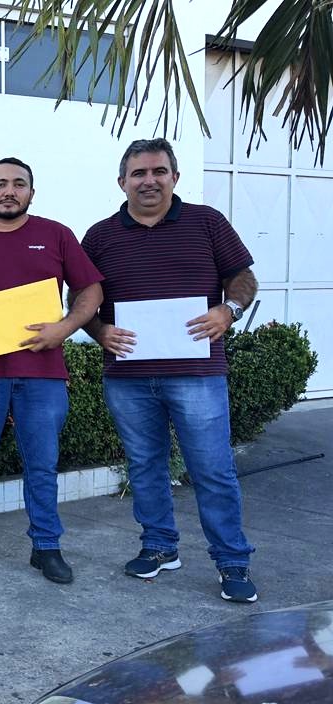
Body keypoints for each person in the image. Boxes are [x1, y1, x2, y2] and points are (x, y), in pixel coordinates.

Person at [78, 138, 259, 603]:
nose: (149, 181)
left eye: (159, 171)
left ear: (175, 177)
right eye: (138, 173)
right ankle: (160, 546)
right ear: (122, 182)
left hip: (197, 373)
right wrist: (99, 331)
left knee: (212, 468)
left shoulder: (207, 222)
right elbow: (79, 299)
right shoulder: (99, 237)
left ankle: (232, 560)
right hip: (128, 376)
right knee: (144, 466)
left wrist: (229, 310)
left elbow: (243, 277)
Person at [0, 157, 103, 585]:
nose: (9, 191)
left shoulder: (56, 235)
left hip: (42, 373)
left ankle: (46, 546)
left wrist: (64, 328)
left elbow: (91, 291)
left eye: (18, 183)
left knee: (42, 465)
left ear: (31, 191)